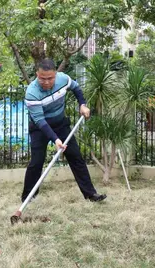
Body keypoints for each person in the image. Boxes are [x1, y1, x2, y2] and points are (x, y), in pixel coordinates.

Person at [21, 58, 107, 203]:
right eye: (43, 78)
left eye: (50, 78)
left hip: (61, 124)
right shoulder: (32, 93)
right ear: (37, 74)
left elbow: (76, 88)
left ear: (55, 74)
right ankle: (27, 198)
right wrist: (55, 139)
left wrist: (82, 104)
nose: (47, 82)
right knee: (36, 162)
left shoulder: (63, 79)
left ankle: (91, 195)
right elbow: (40, 121)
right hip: (40, 128)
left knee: (76, 158)